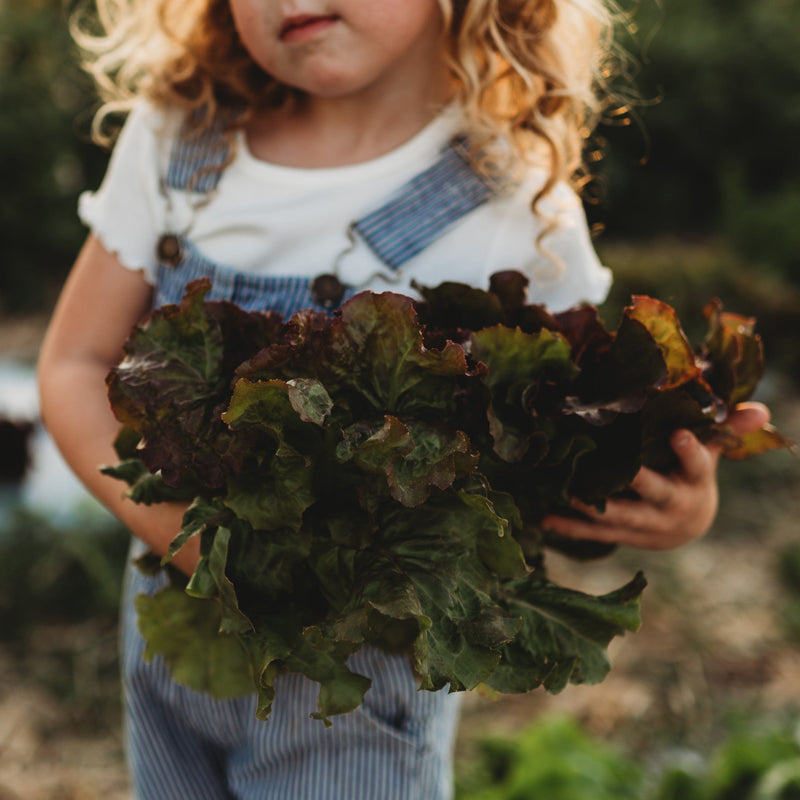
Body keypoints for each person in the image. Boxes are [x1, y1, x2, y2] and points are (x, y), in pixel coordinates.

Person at [37, 1, 769, 798]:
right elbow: (73, 365)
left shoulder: (514, 201)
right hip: (173, 644)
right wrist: (191, 543)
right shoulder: (181, 136)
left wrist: (681, 503)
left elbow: (567, 437)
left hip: (358, 683)